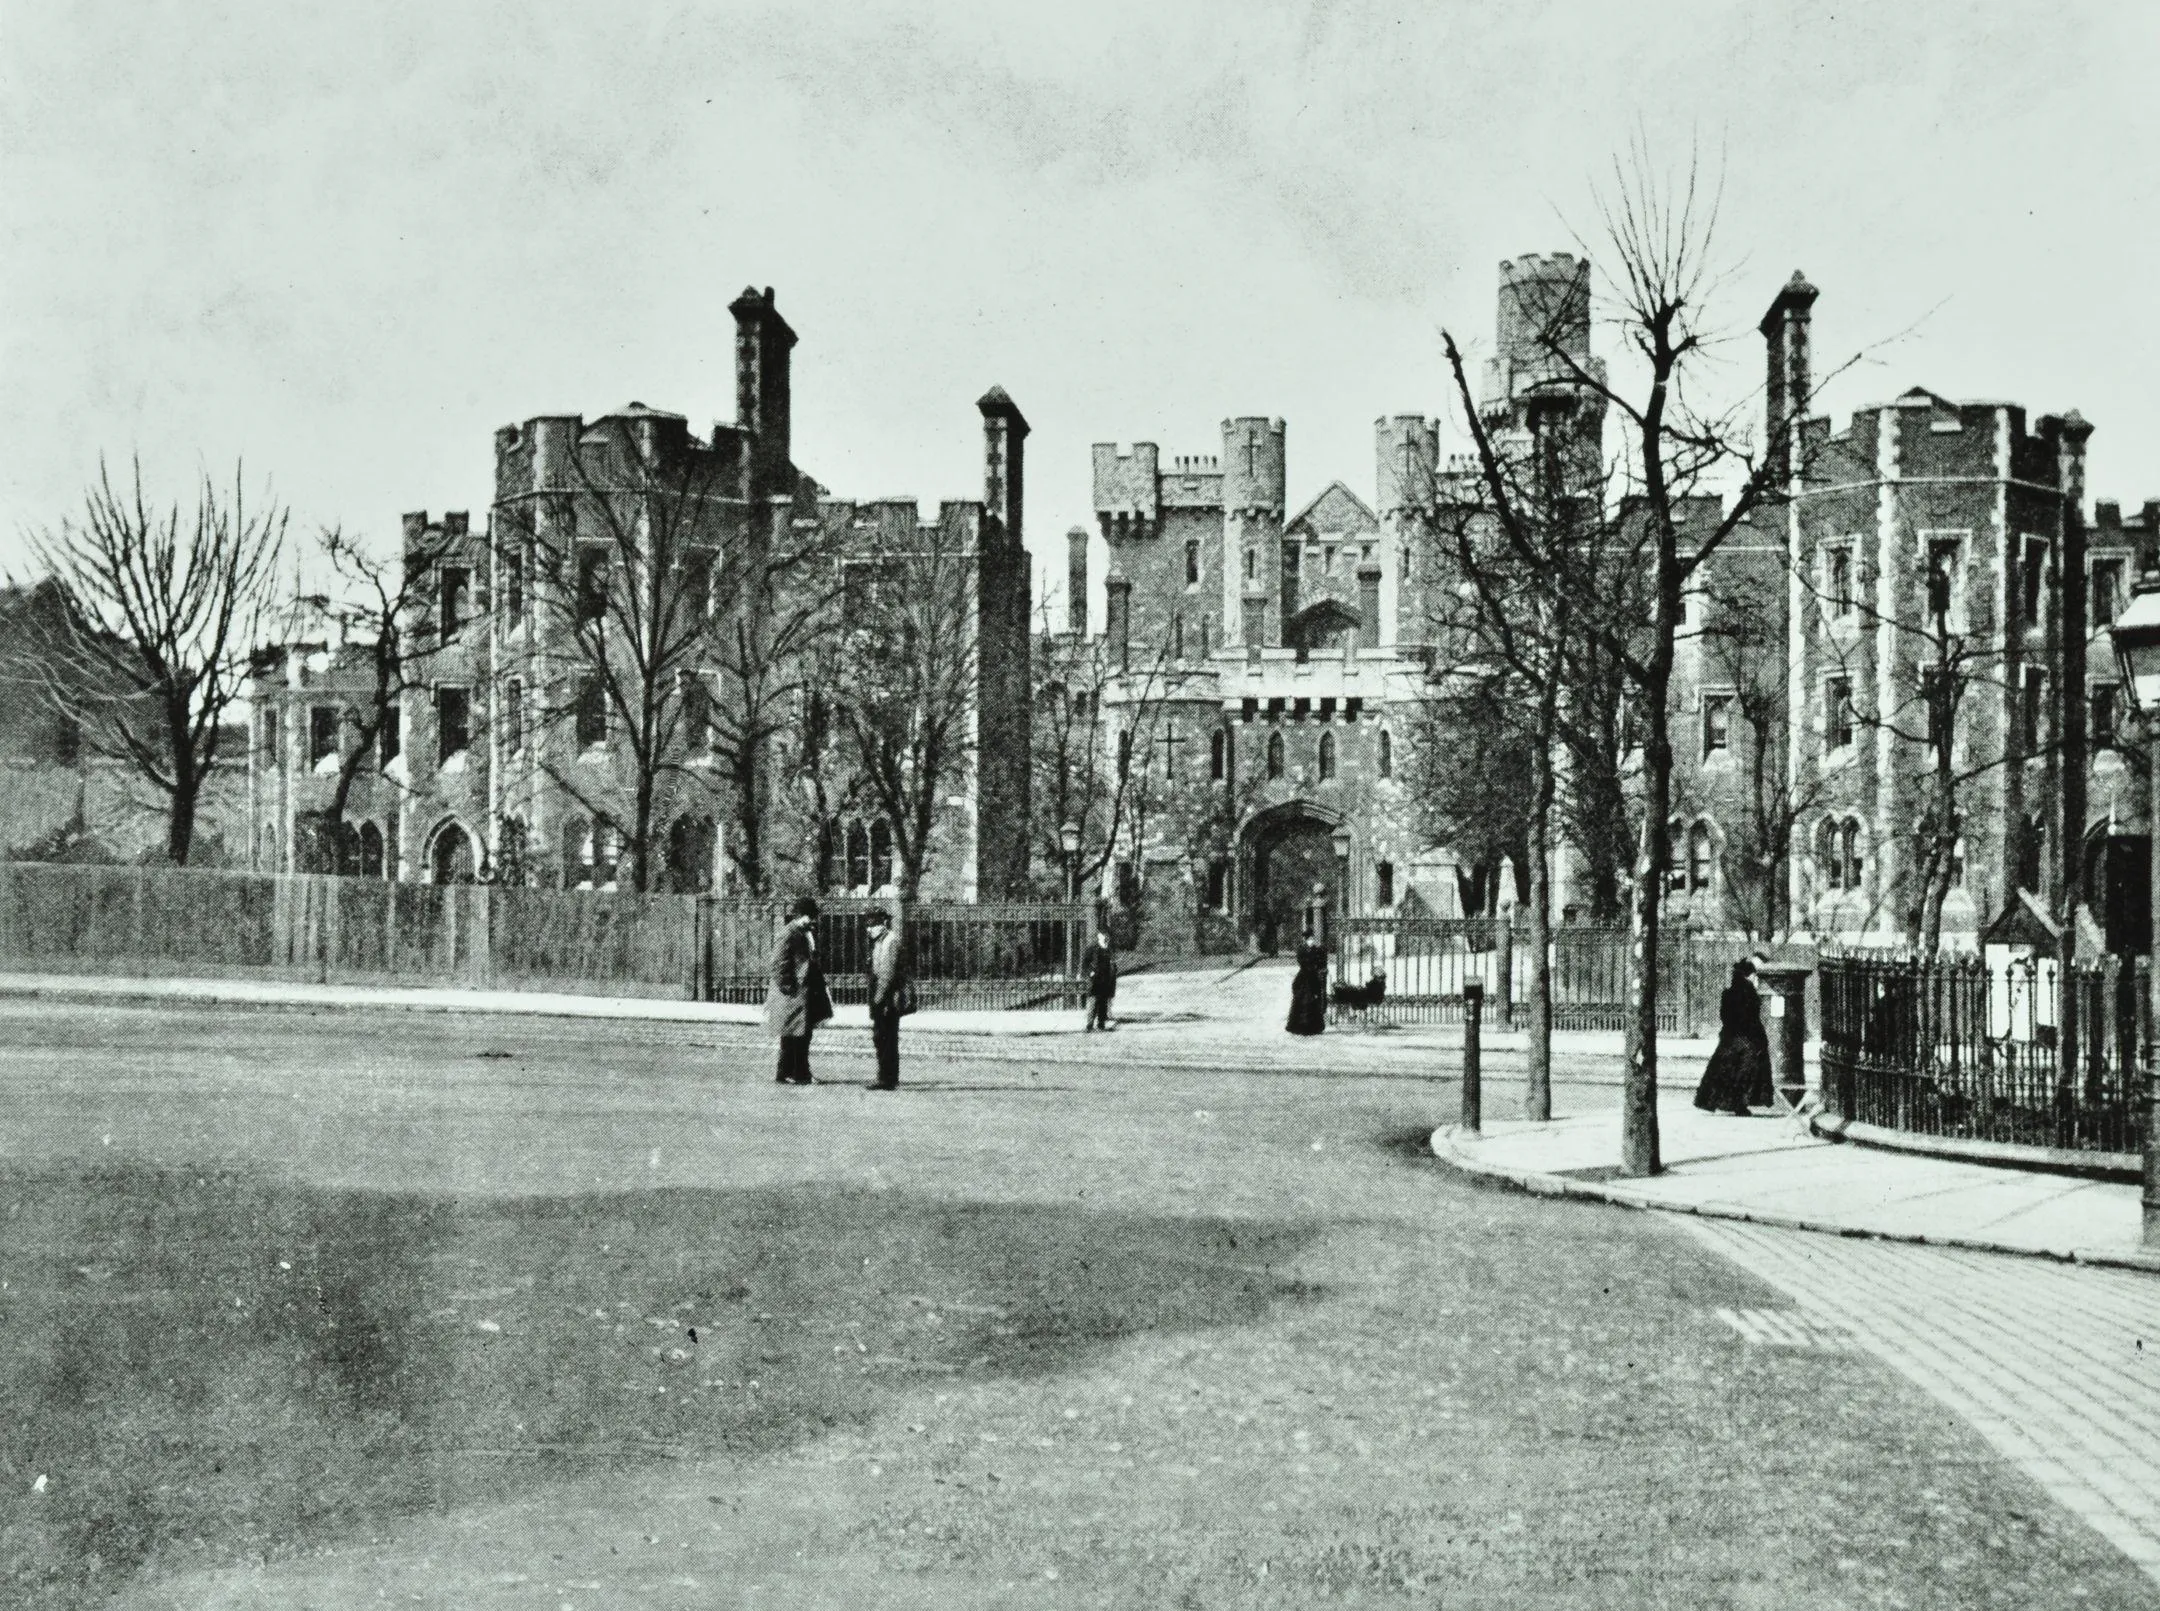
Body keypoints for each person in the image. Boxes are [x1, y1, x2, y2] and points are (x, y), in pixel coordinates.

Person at [764, 895, 831, 1084]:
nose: (813, 920)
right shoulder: (788, 933)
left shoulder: (803, 932)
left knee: (797, 1034)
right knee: (797, 1035)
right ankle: (798, 1074)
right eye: (811, 916)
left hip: (802, 992)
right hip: (792, 994)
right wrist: (789, 987)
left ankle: (787, 1073)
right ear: (801, 915)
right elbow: (777, 963)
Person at [1693, 958, 1769, 1116]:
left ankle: (1710, 1101)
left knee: (1723, 1069)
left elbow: (1724, 1015)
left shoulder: (1728, 993)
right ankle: (1739, 1104)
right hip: (1747, 1038)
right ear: (1749, 975)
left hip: (1730, 1037)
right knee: (1745, 1072)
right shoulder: (1749, 993)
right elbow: (1752, 1017)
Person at [864, 907, 908, 1090]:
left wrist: (878, 998)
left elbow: (887, 974)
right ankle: (888, 1076)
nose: (869, 928)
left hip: (887, 997)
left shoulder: (890, 941)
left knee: (885, 1037)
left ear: (883, 923)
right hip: (882, 993)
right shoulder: (880, 940)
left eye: (873, 924)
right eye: (868, 925)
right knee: (883, 1036)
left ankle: (886, 1078)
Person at [1286, 931, 1329, 1037]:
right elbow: (1301, 961)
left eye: (1312, 939)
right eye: (1309, 939)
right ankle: (1299, 1026)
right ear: (1305, 940)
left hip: (1313, 977)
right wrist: (1310, 965)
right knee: (1301, 999)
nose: (1311, 941)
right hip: (1304, 976)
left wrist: (1318, 967)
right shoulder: (1301, 949)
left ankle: (1313, 1027)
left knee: (1314, 1000)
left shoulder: (1317, 950)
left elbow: (1321, 962)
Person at [1080, 928, 1118, 1030]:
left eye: (1106, 935)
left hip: (1106, 979)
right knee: (1093, 1001)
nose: (1105, 937)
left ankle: (1101, 1024)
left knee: (1103, 1002)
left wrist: (1113, 971)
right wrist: (1090, 972)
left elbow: (1113, 963)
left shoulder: (1109, 949)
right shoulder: (1092, 948)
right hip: (1095, 979)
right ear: (1099, 936)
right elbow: (1085, 963)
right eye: (1103, 935)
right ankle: (1089, 1024)